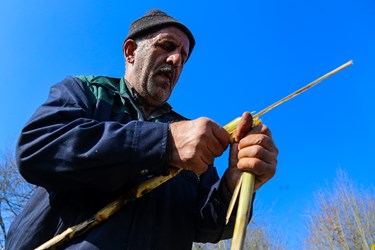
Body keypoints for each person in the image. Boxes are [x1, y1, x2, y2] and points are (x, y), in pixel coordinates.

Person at [5, 9, 278, 250]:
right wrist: (164, 143)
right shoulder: (85, 92)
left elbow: (210, 226)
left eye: (183, 56)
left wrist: (236, 183)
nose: (176, 60)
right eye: (167, 46)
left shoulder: (191, 136)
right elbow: (37, 148)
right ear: (131, 52)